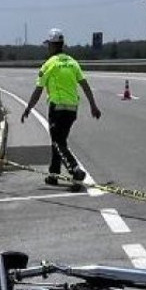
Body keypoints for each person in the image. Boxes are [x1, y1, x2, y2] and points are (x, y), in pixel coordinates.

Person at [20, 28, 101, 189]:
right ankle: (53, 174)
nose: (48, 48)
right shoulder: (72, 62)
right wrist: (93, 105)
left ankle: (75, 170)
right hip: (72, 109)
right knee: (59, 141)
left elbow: (38, 90)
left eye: (48, 45)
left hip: (57, 108)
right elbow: (84, 85)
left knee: (58, 142)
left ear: (52, 45)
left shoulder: (49, 64)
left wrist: (29, 108)